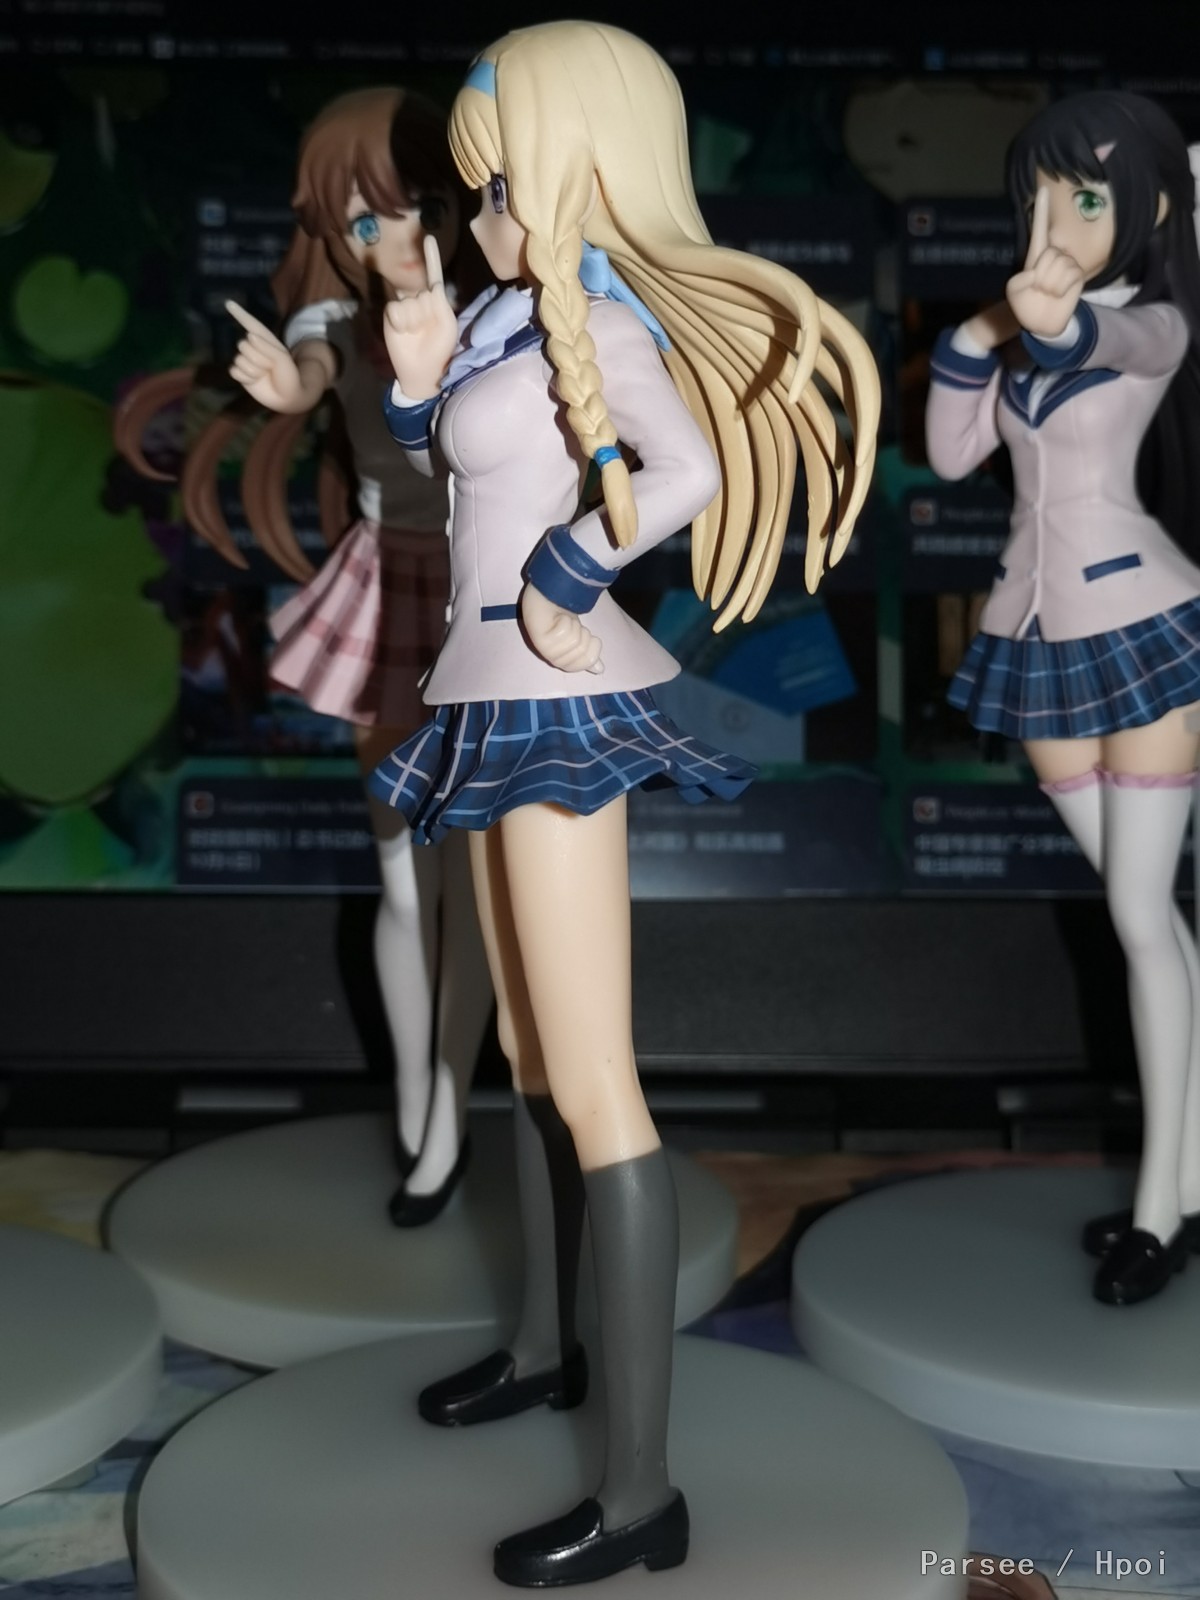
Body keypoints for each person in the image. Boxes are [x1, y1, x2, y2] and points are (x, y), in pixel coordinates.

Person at [374, 22, 879, 1585]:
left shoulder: (603, 322)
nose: (480, 218)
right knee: (528, 1056)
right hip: (482, 689)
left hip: (555, 701)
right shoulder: (505, 319)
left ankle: (644, 1491)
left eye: (501, 186)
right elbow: (463, 478)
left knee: (596, 1081)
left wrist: (574, 567)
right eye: (476, 191)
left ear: (584, 169)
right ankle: (545, 1348)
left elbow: (689, 474)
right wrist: (413, 389)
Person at [116, 88, 493, 1222]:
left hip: (489, 594)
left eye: (418, 207)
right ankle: (418, 1103)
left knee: (473, 894)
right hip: (392, 591)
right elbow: (317, 361)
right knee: (405, 884)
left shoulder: (505, 313)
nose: (398, 238)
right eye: (366, 221)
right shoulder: (342, 322)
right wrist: (291, 386)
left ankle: (447, 1113)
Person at [926, 91, 1200, 1306]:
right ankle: (1190, 1176)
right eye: (1037, 198)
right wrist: (984, 329)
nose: (1054, 224)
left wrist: (1048, 323)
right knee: (1150, 921)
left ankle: (1160, 1210)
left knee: (1140, 915)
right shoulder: (1019, 321)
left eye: (1083, 198)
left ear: (1150, 204)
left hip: (1142, 629)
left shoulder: (1157, 324)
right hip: (1033, 637)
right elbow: (950, 453)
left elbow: (1110, 343)